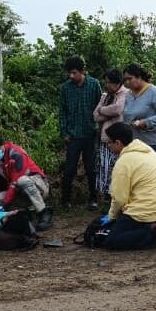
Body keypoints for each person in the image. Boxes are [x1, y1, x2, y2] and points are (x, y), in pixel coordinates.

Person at [102, 122, 156, 250]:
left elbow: (119, 199)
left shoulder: (123, 163)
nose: (108, 146)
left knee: (112, 240)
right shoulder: (146, 149)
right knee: (125, 221)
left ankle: (153, 232)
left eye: (109, 143)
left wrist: (112, 217)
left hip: (147, 208)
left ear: (118, 143)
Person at [0, 133, 54, 228]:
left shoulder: (16, 153)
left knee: (22, 180)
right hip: (18, 190)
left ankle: (44, 212)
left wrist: (5, 205)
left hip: (38, 186)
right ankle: (21, 214)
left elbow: (15, 181)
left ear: (3, 145)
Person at [59, 56, 102, 211]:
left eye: (74, 73)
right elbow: (62, 111)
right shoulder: (65, 88)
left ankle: (93, 198)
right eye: (69, 73)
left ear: (82, 71)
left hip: (90, 133)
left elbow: (100, 107)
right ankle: (66, 200)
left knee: (91, 168)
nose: (71, 76)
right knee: (70, 168)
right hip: (73, 135)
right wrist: (64, 131)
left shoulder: (94, 85)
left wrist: (99, 127)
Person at [93, 68, 129, 197]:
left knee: (117, 168)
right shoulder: (105, 96)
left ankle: (115, 194)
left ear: (117, 82)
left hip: (119, 140)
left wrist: (102, 110)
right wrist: (107, 112)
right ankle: (106, 196)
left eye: (108, 82)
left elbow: (118, 110)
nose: (106, 85)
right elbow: (95, 116)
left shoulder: (125, 93)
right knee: (104, 168)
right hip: (105, 138)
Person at [121, 64, 156, 154]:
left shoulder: (154, 92)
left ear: (139, 77)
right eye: (125, 80)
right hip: (133, 142)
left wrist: (147, 122)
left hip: (150, 143)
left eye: (130, 79)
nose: (127, 82)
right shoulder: (129, 94)